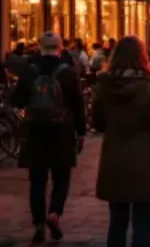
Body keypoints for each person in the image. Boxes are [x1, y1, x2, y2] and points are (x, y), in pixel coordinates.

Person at [91, 35, 150, 247]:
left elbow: (97, 122)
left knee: (117, 221)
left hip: (114, 155)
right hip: (144, 157)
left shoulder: (104, 86)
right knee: (142, 223)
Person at [11, 32, 87, 244]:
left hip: (36, 132)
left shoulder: (29, 71)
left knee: (37, 180)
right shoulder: (68, 73)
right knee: (61, 178)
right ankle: (54, 213)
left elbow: (16, 100)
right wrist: (81, 132)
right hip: (62, 132)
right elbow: (78, 106)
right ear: (60, 48)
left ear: (40, 47)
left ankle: (38, 224)